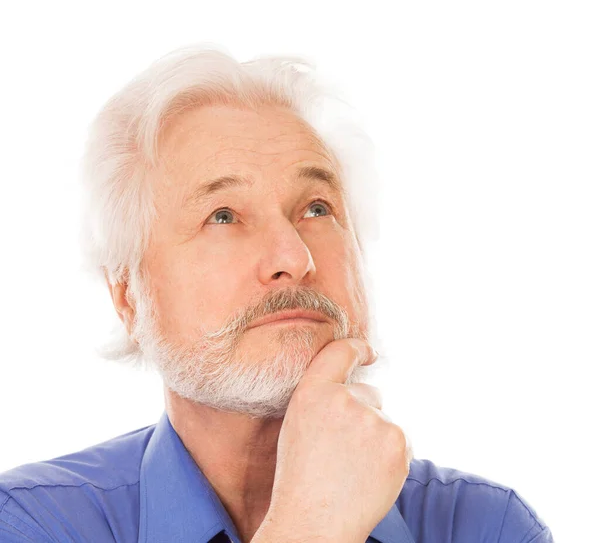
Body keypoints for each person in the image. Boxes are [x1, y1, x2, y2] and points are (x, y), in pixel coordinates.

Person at [0, 44, 553, 543]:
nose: (295, 257)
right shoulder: (32, 524)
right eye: (223, 216)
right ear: (128, 296)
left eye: (317, 209)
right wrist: (312, 525)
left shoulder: (489, 527)